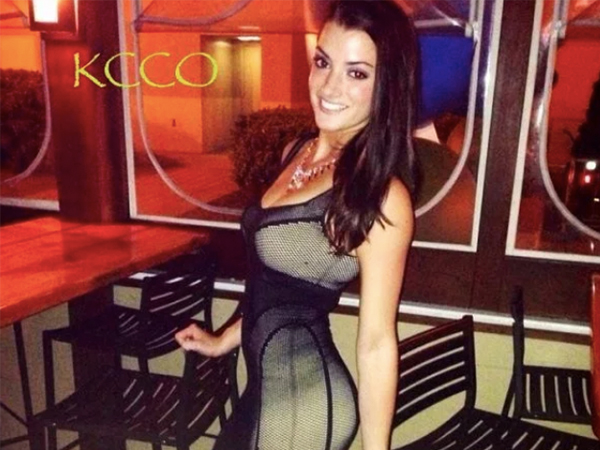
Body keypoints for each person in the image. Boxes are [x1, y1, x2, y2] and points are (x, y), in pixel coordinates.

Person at [175, 1, 419, 449]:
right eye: (323, 62)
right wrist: (222, 341)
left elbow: (377, 343)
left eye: (356, 73)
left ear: (388, 85)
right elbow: (277, 290)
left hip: (306, 405)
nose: (329, 86)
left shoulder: (382, 196)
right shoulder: (297, 152)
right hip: (266, 393)